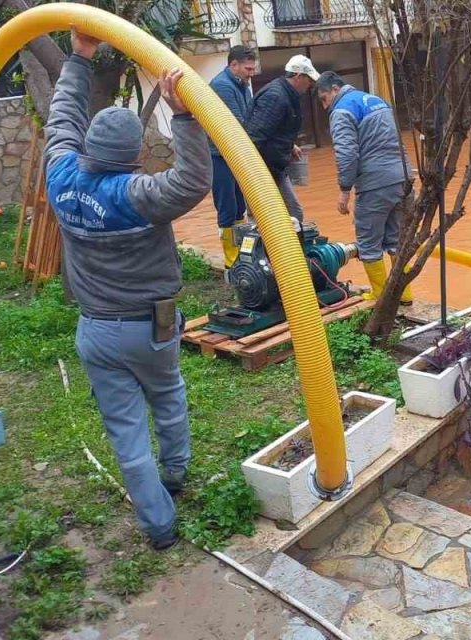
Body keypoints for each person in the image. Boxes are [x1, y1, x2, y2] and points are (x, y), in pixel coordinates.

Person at [44, 28, 211, 550]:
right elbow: (192, 182)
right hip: (149, 326)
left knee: (125, 430)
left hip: (95, 330)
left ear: (89, 146)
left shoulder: (60, 176)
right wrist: (184, 117)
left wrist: (79, 57)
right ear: (134, 153)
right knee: (168, 395)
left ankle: (159, 526)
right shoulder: (137, 195)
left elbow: (60, 120)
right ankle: (176, 473)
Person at [314, 71, 413, 304]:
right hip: (403, 177)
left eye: (324, 98)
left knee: (368, 242)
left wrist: (344, 190)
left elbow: (347, 154)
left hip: (374, 184)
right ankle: (405, 296)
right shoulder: (377, 101)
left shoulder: (341, 111)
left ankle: (379, 296)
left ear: (335, 89)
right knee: (398, 240)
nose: (325, 106)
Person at [244, 54, 319, 228]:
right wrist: (255, 175)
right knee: (287, 215)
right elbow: (255, 135)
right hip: (263, 169)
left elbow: (275, 128)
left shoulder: (287, 94)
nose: (310, 85)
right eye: (308, 80)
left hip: (275, 166)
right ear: (298, 76)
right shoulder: (276, 97)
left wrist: (290, 145)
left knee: (293, 214)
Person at [209, 46, 257, 266]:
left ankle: (241, 253)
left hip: (235, 154)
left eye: (252, 69)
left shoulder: (242, 84)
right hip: (219, 155)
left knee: (239, 206)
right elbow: (238, 122)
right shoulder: (222, 86)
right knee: (227, 205)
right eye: (248, 69)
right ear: (233, 65)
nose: (251, 73)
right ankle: (231, 259)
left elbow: (250, 115)